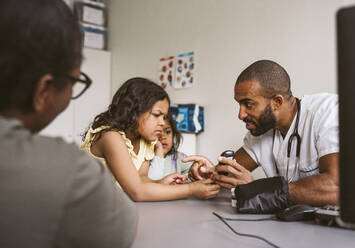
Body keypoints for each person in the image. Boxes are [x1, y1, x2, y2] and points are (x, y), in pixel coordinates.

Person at [0, 0, 137, 248]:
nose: (163, 122)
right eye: (75, 82)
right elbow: (125, 225)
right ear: (44, 90)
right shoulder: (71, 164)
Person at [184, 60, 339, 207]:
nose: (241, 115)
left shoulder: (327, 112)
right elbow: (232, 175)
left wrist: (259, 189)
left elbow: (336, 187)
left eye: (248, 104)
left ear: (277, 102)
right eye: (239, 105)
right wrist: (211, 173)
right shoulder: (263, 129)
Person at [81, 78, 220, 201]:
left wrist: (161, 183)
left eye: (164, 116)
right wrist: (191, 189)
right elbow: (136, 191)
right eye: (156, 115)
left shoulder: (145, 142)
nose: (162, 122)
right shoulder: (110, 137)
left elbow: (141, 179)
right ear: (134, 112)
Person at [148, 114, 192, 180]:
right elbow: (150, 184)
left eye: (167, 132)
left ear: (174, 134)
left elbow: (196, 173)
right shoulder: (144, 158)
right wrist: (159, 152)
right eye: (157, 132)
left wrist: (185, 179)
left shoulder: (179, 158)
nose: (163, 137)